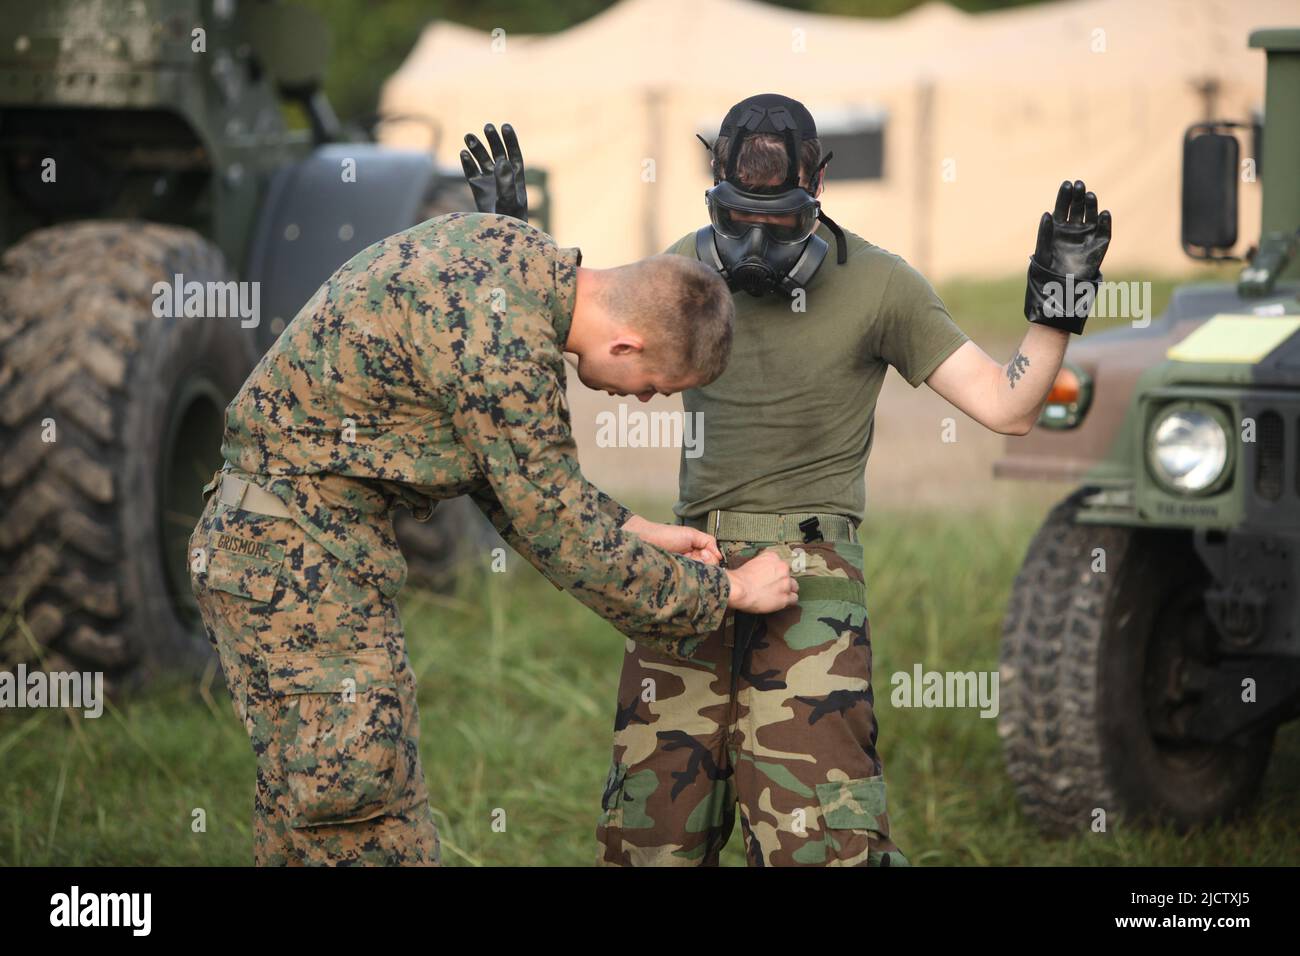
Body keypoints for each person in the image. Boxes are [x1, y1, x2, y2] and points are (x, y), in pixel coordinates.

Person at [461, 99, 1111, 866]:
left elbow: (1007, 406)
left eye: (781, 220)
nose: (756, 244)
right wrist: (511, 260)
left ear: (820, 186)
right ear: (713, 192)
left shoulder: (881, 287)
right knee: (647, 842)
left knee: (823, 847)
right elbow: (591, 351)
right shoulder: (682, 272)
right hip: (689, 572)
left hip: (812, 590)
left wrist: (1059, 305)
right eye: (737, 220)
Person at [188, 210, 800, 866]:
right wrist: (729, 587)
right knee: (358, 820)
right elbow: (561, 534)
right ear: (625, 346)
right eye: (653, 389)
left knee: (318, 813)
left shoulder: (511, 255)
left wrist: (634, 528)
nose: (642, 403)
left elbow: (503, 469)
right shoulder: (510, 340)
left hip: (277, 550)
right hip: (295, 565)